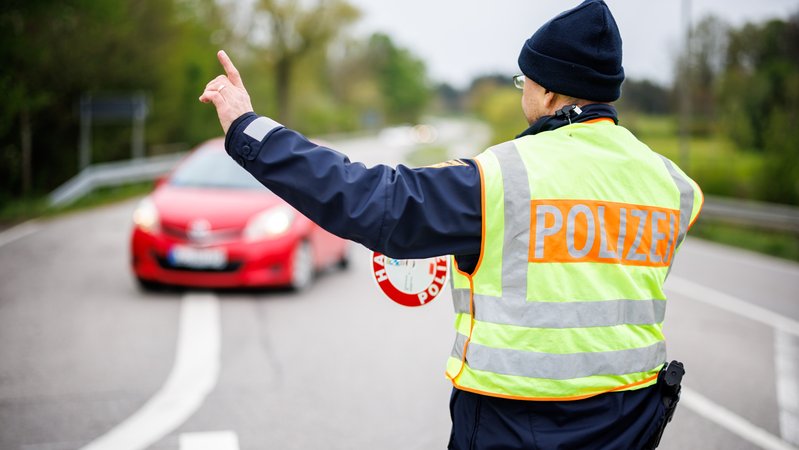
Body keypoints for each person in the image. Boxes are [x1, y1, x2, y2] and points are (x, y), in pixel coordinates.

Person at [199, 0, 703, 448]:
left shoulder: (503, 177)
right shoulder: (673, 185)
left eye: (522, 80)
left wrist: (250, 130)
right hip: (632, 424)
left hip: (515, 426)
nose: (521, 90)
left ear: (548, 92)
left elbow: (371, 200)